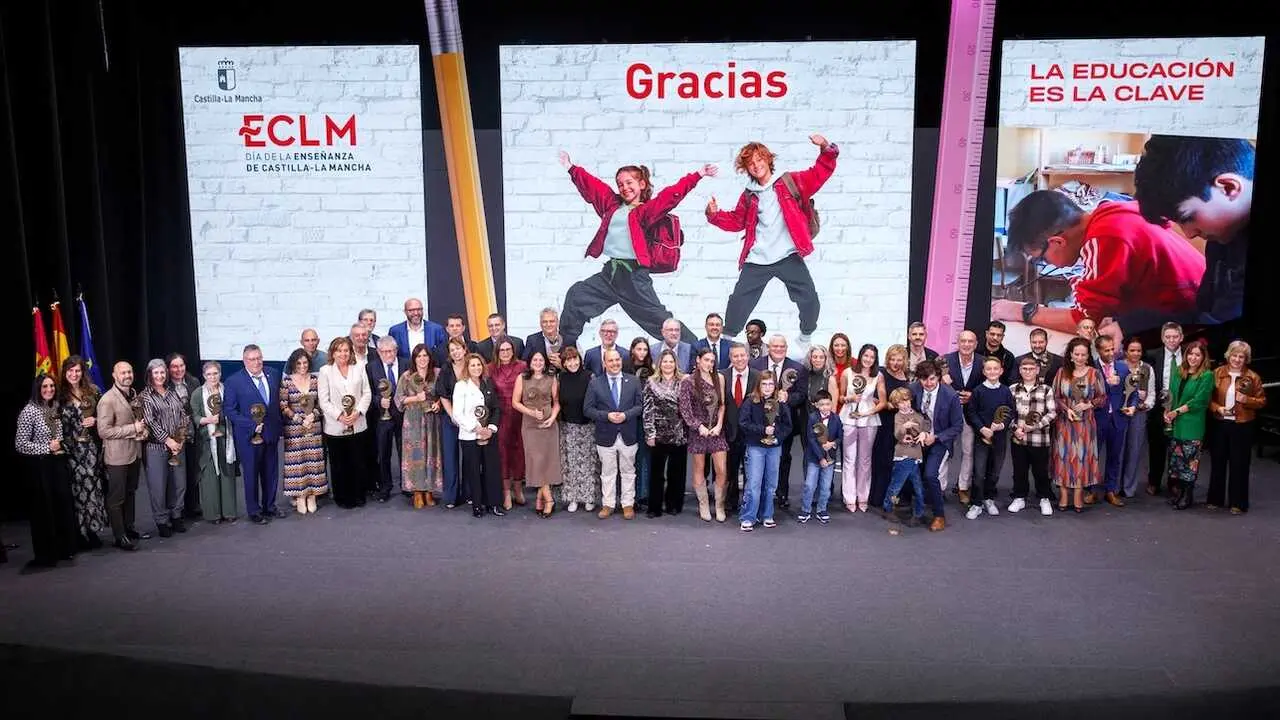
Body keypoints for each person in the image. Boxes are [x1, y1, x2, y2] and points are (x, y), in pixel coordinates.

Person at [557, 150, 716, 347]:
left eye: (629, 183)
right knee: (577, 296)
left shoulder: (644, 211)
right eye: (620, 184)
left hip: (634, 277)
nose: (624, 188)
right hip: (611, 274)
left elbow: (669, 197)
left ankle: (701, 352)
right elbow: (594, 188)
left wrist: (697, 175)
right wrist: (572, 168)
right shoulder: (611, 206)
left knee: (663, 323)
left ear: (641, 185)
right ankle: (566, 350)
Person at [993, 190, 1205, 335]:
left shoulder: (1103, 239)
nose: (1041, 263)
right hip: (1192, 308)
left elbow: (1084, 322)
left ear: (1057, 241)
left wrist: (1023, 311)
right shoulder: (1110, 212)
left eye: (1039, 257)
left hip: (1190, 327)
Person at [706, 133, 838, 351]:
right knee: (738, 301)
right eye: (750, 164)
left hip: (787, 255)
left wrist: (825, 146)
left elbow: (820, 173)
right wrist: (714, 214)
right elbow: (737, 220)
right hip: (757, 258)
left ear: (768, 160)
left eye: (759, 160)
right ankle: (726, 341)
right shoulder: (750, 195)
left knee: (809, 299)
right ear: (746, 169)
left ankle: (805, 335)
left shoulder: (789, 182)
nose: (756, 166)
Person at [1133, 136, 1253, 327]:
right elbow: (1204, 314)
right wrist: (1127, 324)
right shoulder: (1222, 237)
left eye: (1188, 217)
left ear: (1229, 187)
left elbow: (1218, 330)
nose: (1189, 234)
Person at [14, 374, 78, 570]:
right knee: (44, 510)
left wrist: (60, 446)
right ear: (37, 389)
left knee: (62, 506)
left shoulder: (56, 407)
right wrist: (46, 448)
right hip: (40, 467)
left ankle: (63, 549)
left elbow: (59, 436)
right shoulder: (29, 411)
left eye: (51, 386)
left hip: (57, 463)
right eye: (44, 387)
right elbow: (20, 444)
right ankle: (45, 554)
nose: (49, 389)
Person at [224, 344, 286, 523]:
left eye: (259, 358)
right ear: (244, 361)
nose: (256, 362)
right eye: (252, 359)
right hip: (248, 438)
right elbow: (230, 410)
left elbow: (276, 403)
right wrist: (251, 425)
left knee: (271, 472)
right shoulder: (234, 381)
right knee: (251, 474)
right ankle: (254, 511)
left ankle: (270, 506)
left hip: (271, 434)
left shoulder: (273, 374)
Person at [1207, 340, 1266, 513]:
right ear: (1228, 355)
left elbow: (1262, 401)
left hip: (1242, 425)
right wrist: (1217, 408)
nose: (1237, 359)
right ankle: (1215, 499)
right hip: (1220, 423)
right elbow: (1207, 399)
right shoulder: (1217, 373)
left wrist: (1247, 400)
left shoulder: (1253, 377)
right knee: (1218, 462)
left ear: (1246, 359)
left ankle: (1238, 503)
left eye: (1241, 356)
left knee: (1239, 464)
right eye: (1234, 355)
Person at [749, 334, 808, 508]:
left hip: (784, 424)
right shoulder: (755, 365)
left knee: (782, 458)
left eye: (782, 346)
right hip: (759, 422)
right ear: (769, 347)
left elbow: (802, 395)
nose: (778, 349)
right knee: (756, 458)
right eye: (775, 346)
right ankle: (755, 494)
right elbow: (751, 390)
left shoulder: (797, 368)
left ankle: (781, 494)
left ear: (786, 348)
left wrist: (788, 397)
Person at [583, 348, 643, 519]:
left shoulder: (633, 381)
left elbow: (639, 407)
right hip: (605, 434)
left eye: (617, 360)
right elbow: (588, 409)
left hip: (628, 434)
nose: (615, 363)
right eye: (611, 360)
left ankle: (627, 504)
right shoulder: (595, 383)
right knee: (608, 472)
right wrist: (606, 416)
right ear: (604, 363)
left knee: (628, 471)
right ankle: (608, 504)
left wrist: (626, 415)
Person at [57, 356, 108, 550]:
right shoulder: (60, 396)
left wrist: (95, 420)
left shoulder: (93, 391)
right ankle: (80, 533)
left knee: (94, 491)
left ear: (82, 372)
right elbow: (56, 426)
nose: (74, 374)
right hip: (72, 452)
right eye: (70, 371)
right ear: (65, 372)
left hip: (92, 450)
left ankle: (93, 530)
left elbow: (105, 416)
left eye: (77, 370)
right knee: (78, 493)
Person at [96, 361, 148, 549]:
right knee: (116, 498)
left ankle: (129, 527)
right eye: (123, 372)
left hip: (134, 453)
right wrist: (132, 429)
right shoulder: (107, 400)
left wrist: (142, 431)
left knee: (131, 493)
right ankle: (119, 536)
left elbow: (139, 422)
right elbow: (104, 431)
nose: (127, 375)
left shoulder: (133, 395)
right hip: (117, 457)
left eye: (129, 371)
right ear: (114, 375)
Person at [316, 337, 372, 510]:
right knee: (339, 463)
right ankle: (342, 496)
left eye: (346, 350)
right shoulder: (325, 371)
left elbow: (367, 393)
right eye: (339, 350)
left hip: (358, 422)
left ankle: (359, 494)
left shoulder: (359, 367)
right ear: (333, 352)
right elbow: (323, 401)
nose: (343, 354)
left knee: (358, 461)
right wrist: (340, 416)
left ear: (351, 352)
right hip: (336, 426)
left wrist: (357, 412)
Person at [1053, 338, 1107, 512]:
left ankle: (1077, 495)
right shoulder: (1062, 372)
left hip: (1085, 424)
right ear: (1070, 355)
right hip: (1064, 423)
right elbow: (1055, 396)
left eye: (1083, 354)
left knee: (1081, 458)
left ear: (1088, 355)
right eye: (1077, 354)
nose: (1080, 357)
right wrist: (1065, 409)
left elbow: (1102, 397)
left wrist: (1088, 404)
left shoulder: (1094, 373)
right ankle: (1063, 495)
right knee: (1063, 457)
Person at [139, 358, 190, 537]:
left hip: (178, 446)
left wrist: (181, 439)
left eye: (162, 372)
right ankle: (161, 520)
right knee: (158, 487)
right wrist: (168, 440)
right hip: (157, 448)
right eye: (156, 373)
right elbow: (150, 423)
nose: (160, 376)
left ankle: (176, 516)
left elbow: (184, 415)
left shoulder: (172, 392)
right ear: (150, 375)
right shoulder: (145, 396)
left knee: (179, 484)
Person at [910, 360, 963, 532]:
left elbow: (957, 426)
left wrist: (936, 437)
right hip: (918, 437)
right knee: (911, 471)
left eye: (932, 379)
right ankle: (917, 507)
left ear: (939, 377)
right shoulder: (913, 390)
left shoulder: (951, 396)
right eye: (924, 379)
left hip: (939, 440)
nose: (928, 383)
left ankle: (939, 515)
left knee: (931, 475)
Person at [679, 349, 729, 522]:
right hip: (698, 431)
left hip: (716, 431)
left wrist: (719, 425)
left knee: (721, 469)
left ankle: (719, 505)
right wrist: (698, 426)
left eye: (712, 361)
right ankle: (703, 504)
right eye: (706, 360)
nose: (710, 364)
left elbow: (722, 405)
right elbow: (685, 410)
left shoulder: (719, 378)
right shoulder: (688, 381)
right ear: (698, 360)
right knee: (699, 469)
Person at [738, 373, 792, 531]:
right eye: (764, 384)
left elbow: (787, 425)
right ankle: (748, 516)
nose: (767, 387)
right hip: (755, 447)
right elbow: (743, 423)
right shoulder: (750, 402)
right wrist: (763, 430)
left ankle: (767, 514)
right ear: (758, 385)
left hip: (774, 447)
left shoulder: (780, 403)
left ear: (775, 385)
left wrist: (777, 438)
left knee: (770, 484)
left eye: (770, 384)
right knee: (754, 483)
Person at [453, 353, 504, 518]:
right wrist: (477, 428)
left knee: (492, 469)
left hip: (489, 434)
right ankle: (477, 505)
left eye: (479, 365)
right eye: (472, 365)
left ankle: (494, 504)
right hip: (470, 436)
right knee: (474, 471)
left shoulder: (488, 383)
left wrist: (490, 428)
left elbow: (496, 408)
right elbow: (457, 414)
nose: (476, 368)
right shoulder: (461, 386)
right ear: (467, 368)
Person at [190, 361, 241, 524]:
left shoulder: (227, 390)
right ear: (204, 376)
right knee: (210, 477)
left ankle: (229, 511)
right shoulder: (198, 394)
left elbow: (234, 408)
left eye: (215, 373)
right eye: (209, 374)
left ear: (220, 374)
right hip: (207, 440)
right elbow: (194, 416)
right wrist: (208, 420)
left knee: (227, 475)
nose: (212, 377)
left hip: (226, 438)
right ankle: (213, 514)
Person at [1164, 340, 1213, 510]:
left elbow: (1199, 401)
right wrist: (1167, 411)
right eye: (1191, 354)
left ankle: (1187, 495)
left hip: (1192, 423)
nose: (1193, 357)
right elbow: (1171, 393)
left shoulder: (1206, 375)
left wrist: (1176, 412)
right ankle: (1178, 492)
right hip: (1176, 423)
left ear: (1203, 357)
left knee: (1190, 461)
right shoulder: (1180, 371)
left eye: (1197, 355)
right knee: (1177, 461)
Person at [964, 358, 1015, 520]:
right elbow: (971, 412)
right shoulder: (978, 391)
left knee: (994, 471)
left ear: (1001, 371)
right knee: (979, 471)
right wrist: (982, 428)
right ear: (984, 372)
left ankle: (988, 498)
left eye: (996, 369)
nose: (992, 372)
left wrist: (1002, 425)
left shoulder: (1006, 391)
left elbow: (1010, 412)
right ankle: (976, 503)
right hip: (982, 438)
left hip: (999, 438)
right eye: (989, 369)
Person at [512, 350, 561, 517]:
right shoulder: (522, 378)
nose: (538, 362)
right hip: (530, 425)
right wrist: (531, 413)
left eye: (541, 360)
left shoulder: (552, 378)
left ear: (545, 362)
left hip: (549, 426)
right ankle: (549, 499)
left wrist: (552, 418)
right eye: (535, 359)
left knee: (546, 462)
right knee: (536, 460)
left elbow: (557, 403)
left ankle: (540, 497)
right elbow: (515, 402)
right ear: (530, 361)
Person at [280, 349, 328, 514]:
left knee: (313, 461)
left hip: (313, 427)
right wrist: (299, 419)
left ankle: (312, 495)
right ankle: (300, 496)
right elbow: (283, 405)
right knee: (297, 463)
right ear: (293, 364)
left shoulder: (316, 380)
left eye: (305, 363)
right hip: (294, 429)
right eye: (299, 363)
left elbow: (321, 403)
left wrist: (312, 416)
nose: (302, 366)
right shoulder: (286, 382)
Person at [1009, 356, 1057, 516]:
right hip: (1019, 438)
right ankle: (1019, 497)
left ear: (1037, 370)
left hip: (1039, 439)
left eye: (1031, 369)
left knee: (1041, 471)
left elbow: (1052, 413)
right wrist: (1014, 428)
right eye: (1024, 369)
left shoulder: (1046, 389)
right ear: (1020, 370)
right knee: (1019, 470)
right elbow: (1008, 414)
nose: (1028, 372)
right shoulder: (1013, 389)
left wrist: (1035, 426)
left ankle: (1044, 498)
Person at [838, 343, 884, 513]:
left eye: (872, 357)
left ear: (875, 359)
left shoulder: (878, 376)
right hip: (849, 418)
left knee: (865, 460)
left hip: (869, 421)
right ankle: (849, 497)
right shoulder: (847, 373)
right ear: (860, 355)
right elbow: (841, 397)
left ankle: (862, 496)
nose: (868, 360)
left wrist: (868, 412)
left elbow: (883, 401)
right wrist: (850, 399)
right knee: (849, 459)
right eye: (866, 356)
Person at [397, 344, 444, 509]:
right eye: (419, 356)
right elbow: (399, 400)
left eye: (425, 355)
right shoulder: (407, 376)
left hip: (432, 420)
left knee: (431, 454)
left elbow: (445, 394)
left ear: (429, 358)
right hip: (413, 421)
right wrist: (416, 398)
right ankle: (417, 491)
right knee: (416, 456)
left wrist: (439, 403)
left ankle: (429, 491)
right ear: (414, 359)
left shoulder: (437, 374)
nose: (422, 359)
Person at [939, 330, 984, 503]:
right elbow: (933, 383)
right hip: (948, 413)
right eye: (963, 341)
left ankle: (963, 487)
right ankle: (941, 487)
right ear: (957, 342)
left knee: (968, 451)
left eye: (970, 341)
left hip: (971, 413)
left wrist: (973, 395)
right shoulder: (944, 360)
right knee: (944, 450)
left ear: (976, 343)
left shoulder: (983, 362)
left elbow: (987, 386)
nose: (966, 344)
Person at [643, 350, 688, 517]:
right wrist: (650, 434)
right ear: (659, 364)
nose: (668, 364)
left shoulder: (684, 381)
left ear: (676, 364)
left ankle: (673, 505)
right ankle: (654, 507)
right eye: (665, 361)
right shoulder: (651, 382)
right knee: (656, 473)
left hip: (680, 434)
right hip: (658, 435)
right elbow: (648, 411)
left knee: (677, 473)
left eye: (671, 361)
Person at [1087, 335, 1131, 508]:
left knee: (1115, 456)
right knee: (1093, 456)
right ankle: (1090, 490)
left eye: (1113, 348)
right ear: (1098, 351)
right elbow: (1087, 394)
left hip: (1118, 419)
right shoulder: (1091, 369)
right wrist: (1106, 383)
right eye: (1107, 350)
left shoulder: (1123, 367)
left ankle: (1110, 490)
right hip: (1097, 419)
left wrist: (1133, 406)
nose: (1111, 352)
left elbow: (1132, 392)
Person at [555, 347, 599, 513]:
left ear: (580, 360)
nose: (572, 363)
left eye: (575, 359)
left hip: (587, 426)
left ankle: (589, 498)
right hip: (567, 425)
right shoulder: (561, 377)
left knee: (589, 463)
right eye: (568, 360)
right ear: (564, 363)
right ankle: (572, 497)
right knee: (570, 463)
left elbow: (595, 401)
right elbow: (557, 399)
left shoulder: (589, 376)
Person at [880, 387, 929, 527]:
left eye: (906, 401)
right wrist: (904, 427)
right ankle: (888, 508)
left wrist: (924, 434)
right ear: (896, 405)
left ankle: (919, 513)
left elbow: (925, 426)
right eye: (901, 402)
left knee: (918, 488)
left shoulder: (918, 415)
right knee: (896, 487)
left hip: (916, 457)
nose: (905, 404)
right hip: (903, 457)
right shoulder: (898, 417)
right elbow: (897, 433)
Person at [367, 336, 408, 503]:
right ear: (378, 352)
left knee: (404, 451)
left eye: (391, 351)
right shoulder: (371, 367)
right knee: (383, 453)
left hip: (403, 415)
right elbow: (367, 392)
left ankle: (407, 485)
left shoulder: (407, 364)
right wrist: (379, 401)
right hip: (381, 417)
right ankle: (385, 487)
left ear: (396, 350)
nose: (388, 354)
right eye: (384, 351)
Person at [1145, 322, 1184, 496]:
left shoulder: (1189, 356)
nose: (1171, 340)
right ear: (1162, 338)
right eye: (1168, 337)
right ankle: (1154, 481)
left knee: (1177, 448)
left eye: (1175, 336)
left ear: (1181, 337)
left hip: (1181, 409)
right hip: (1158, 409)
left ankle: (1174, 482)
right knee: (1157, 447)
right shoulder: (1152, 356)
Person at [489, 337, 528, 509]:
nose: (505, 353)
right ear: (497, 352)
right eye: (502, 350)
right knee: (502, 454)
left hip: (520, 415)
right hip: (500, 416)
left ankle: (518, 489)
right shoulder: (490, 368)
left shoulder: (523, 367)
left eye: (508, 350)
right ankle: (506, 493)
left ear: (513, 350)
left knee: (519, 453)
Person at [435, 337, 472, 507]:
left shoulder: (473, 365)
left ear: (464, 349)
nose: (456, 352)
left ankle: (470, 493)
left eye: (458, 348)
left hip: (470, 419)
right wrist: (452, 415)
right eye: (452, 350)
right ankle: (451, 496)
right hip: (450, 419)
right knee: (450, 457)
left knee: (469, 457)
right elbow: (442, 395)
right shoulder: (445, 369)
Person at [721, 343, 758, 517]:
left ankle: (750, 504)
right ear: (730, 358)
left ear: (748, 356)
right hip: (729, 432)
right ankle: (730, 502)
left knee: (752, 472)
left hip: (751, 433)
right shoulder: (722, 376)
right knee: (730, 470)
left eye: (742, 355)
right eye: (735, 356)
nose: (740, 359)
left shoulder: (758, 377)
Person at [1119, 337, 1155, 499]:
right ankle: (1114, 486)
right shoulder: (1118, 366)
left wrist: (1145, 405)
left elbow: (1152, 392)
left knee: (1134, 451)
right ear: (1126, 351)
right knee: (1118, 450)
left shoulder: (1147, 368)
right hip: (1121, 412)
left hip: (1139, 414)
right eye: (1132, 350)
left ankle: (1128, 488)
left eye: (1138, 350)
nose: (1135, 353)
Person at [799, 390, 842, 524]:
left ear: (831, 404)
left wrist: (833, 443)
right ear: (816, 405)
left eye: (827, 404)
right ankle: (805, 510)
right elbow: (811, 439)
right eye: (822, 404)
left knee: (825, 486)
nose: (825, 407)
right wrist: (821, 458)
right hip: (814, 458)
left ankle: (822, 510)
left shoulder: (836, 418)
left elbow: (841, 436)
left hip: (830, 459)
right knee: (809, 485)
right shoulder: (812, 418)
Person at [388, 297, 446, 363]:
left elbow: (442, 355)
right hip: (405, 372)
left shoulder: (436, 329)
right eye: (411, 310)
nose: (416, 313)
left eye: (419, 309)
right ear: (405, 312)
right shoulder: (395, 331)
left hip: (430, 371)